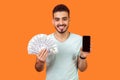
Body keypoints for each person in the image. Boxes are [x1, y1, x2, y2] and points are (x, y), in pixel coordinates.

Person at [35, 4, 89, 80]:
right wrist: (40, 62)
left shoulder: (79, 40)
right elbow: (38, 69)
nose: (61, 23)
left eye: (64, 19)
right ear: (53, 21)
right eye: (57, 19)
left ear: (69, 20)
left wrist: (83, 57)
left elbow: (82, 69)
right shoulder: (45, 41)